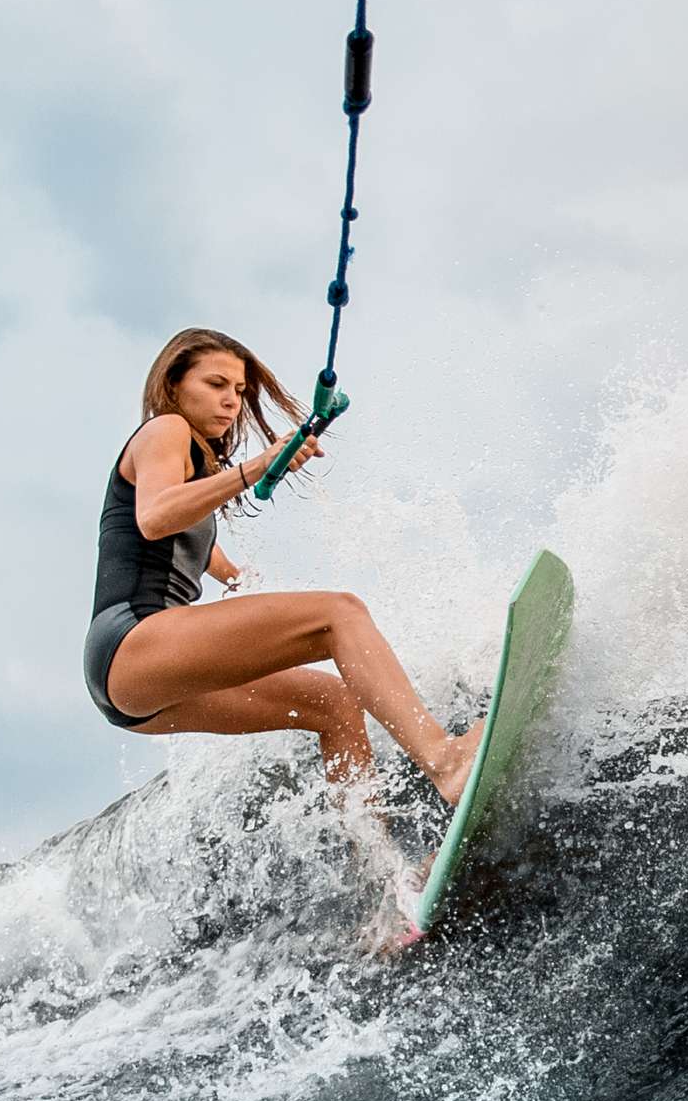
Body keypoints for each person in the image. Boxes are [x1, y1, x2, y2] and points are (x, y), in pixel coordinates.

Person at [82, 326, 480, 801]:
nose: (231, 401)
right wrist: (255, 467)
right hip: (133, 641)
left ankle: (379, 870)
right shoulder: (165, 429)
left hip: (135, 687)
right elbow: (154, 518)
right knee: (340, 612)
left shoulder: (191, 461)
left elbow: (183, 540)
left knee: (333, 703)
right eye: (216, 384)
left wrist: (233, 575)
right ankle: (443, 760)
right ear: (173, 385)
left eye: (239, 390)